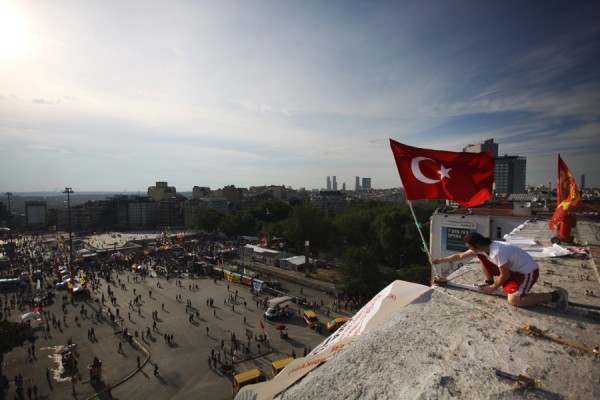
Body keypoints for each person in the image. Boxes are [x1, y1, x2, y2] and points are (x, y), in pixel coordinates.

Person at [431, 232, 568, 311]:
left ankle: (555, 295)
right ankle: (488, 280)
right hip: (513, 269)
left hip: (526, 272)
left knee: (514, 301)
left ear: (476, 245)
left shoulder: (496, 252)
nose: (469, 249)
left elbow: (505, 274)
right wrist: (439, 261)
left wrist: (494, 287)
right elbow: (460, 256)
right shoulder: (484, 249)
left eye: (470, 247)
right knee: (481, 258)